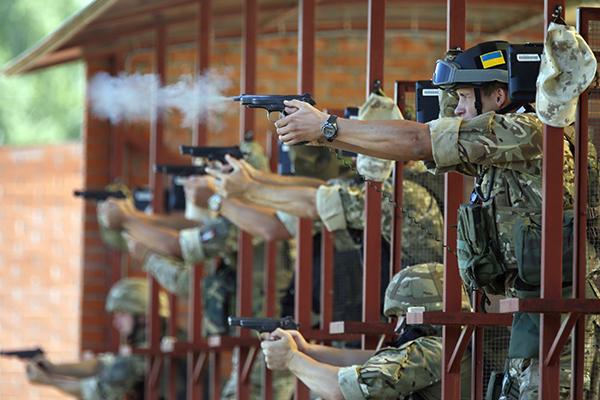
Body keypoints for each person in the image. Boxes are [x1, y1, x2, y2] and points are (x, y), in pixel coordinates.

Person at [272, 40, 600, 399]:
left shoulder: (524, 133)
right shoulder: (501, 151)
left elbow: (419, 141)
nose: (457, 109)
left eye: (462, 97)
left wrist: (328, 127)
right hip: (539, 313)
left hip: (566, 316)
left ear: (498, 97)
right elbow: (429, 141)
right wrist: (327, 135)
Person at [260, 262, 472, 400]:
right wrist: (306, 349)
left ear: (419, 313)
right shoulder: (448, 346)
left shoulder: (432, 351)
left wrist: (291, 358)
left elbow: (339, 389)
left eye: (399, 316)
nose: (397, 327)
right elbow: (370, 360)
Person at [24, 278, 170, 400]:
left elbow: (95, 391)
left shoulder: (149, 351)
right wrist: (53, 368)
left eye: (122, 314)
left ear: (144, 316)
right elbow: (102, 365)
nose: (116, 322)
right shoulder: (160, 343)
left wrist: (48, 380)